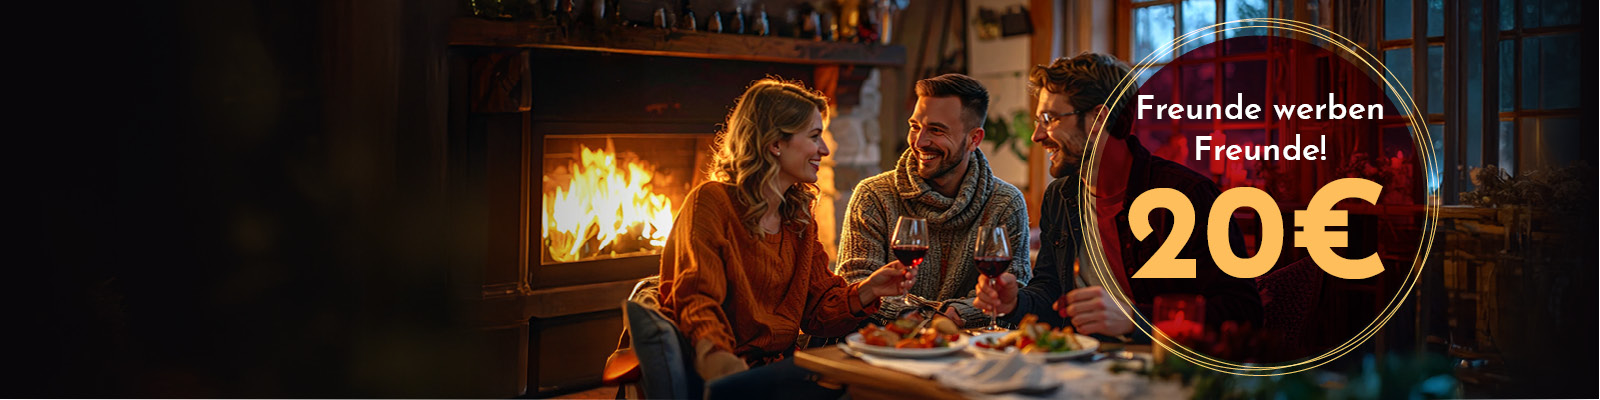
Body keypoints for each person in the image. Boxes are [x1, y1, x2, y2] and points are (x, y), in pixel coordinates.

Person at [974, 53, 1262, 339]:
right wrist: (1015, 302)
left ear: (1098, 118)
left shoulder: (1187, 195)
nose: (1037, 135)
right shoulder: (1060, 196)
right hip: (1083, 365)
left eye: (1049, 119)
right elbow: (1051, 293)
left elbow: (1242, 311)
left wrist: (1135, 319)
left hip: (1165, 371)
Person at [655, 78, 916, 393]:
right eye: (814, 136)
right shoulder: (712, 202)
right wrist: (722, 363)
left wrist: (869, 289)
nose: (825, 149)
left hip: (785, 372)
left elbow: (819, 312)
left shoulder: (798, 219)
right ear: (775, 143)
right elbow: (697, 299)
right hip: (728, 376)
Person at [837, 73, 1031, 329]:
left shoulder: (1006, 203)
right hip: (886, 350)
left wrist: (952, 316)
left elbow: (1011, 292)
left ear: (974, 139)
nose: (919, 141)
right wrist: (938, 319)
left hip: (971, 358)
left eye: (936, 130)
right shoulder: (873, 195)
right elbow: (856, 286)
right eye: (915, 126)